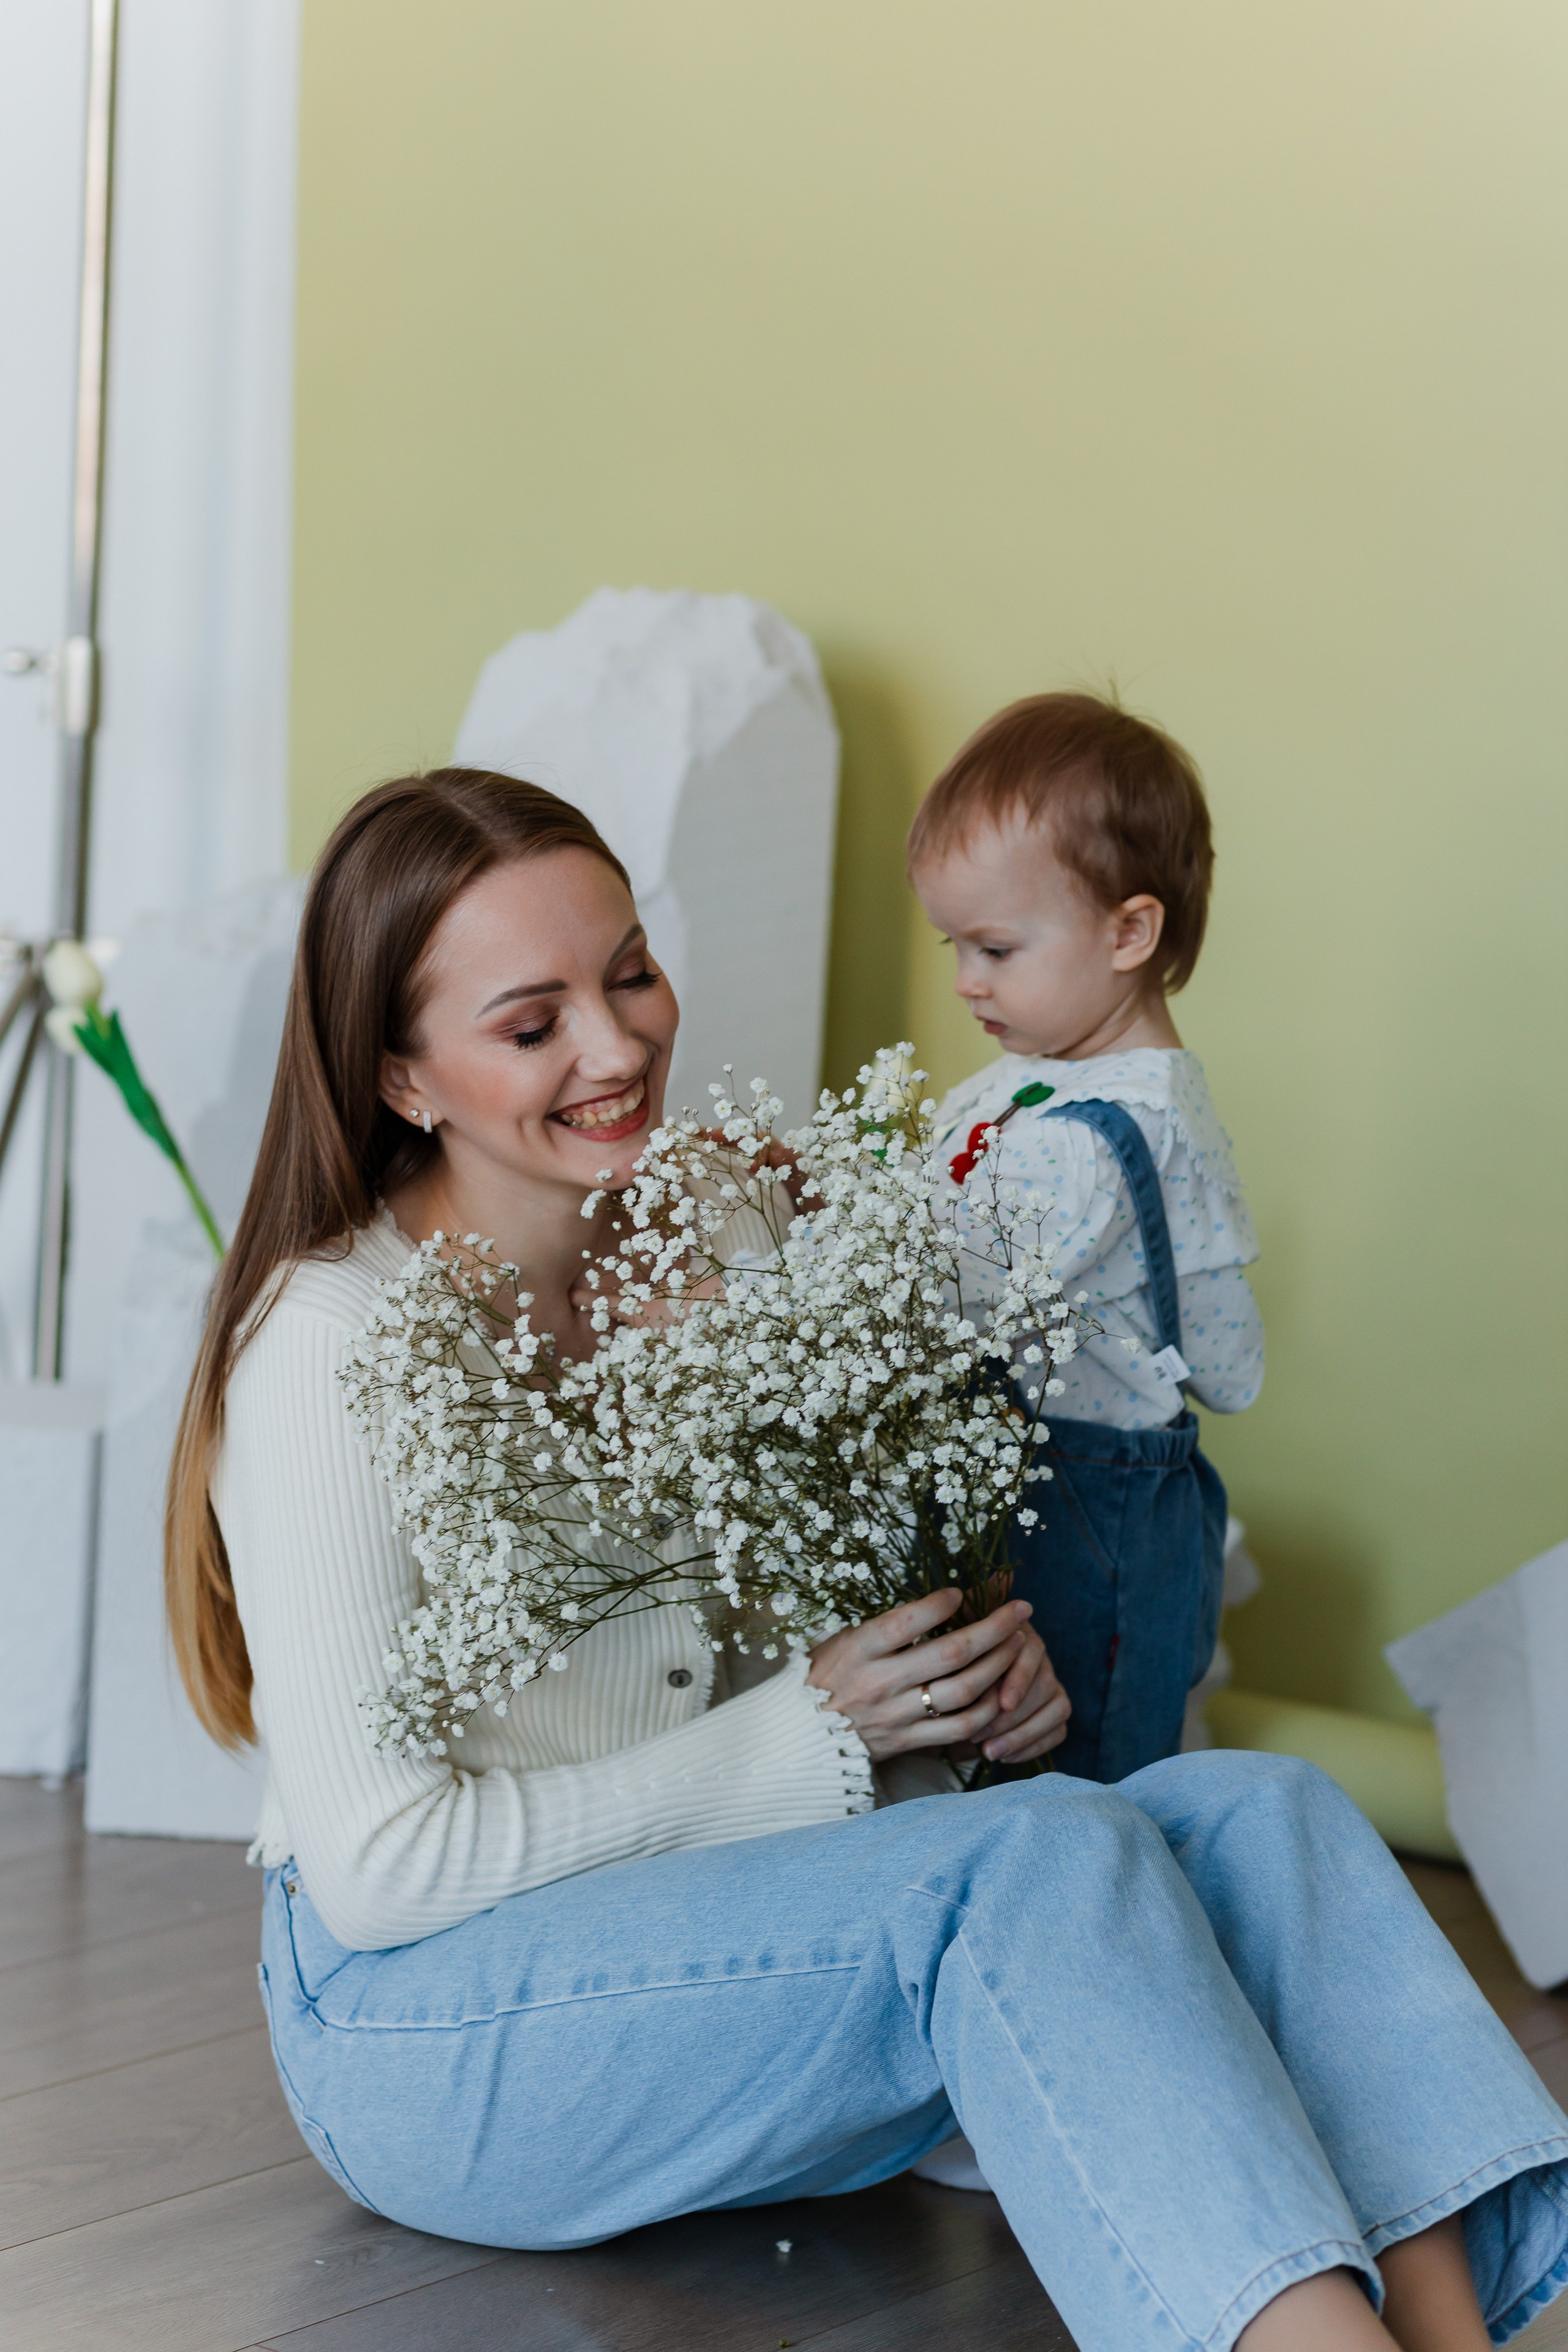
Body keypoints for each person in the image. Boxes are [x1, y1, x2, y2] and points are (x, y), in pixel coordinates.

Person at [165, 766, 1568, 2352]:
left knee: (1266, 1815)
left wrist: (965, 1686)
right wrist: (817, 1736)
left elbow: (774, 1658)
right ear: (402, 1076)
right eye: (531, 1020)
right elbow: (383, 1868)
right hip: (426, 2032)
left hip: (707, 1935)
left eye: (629, 972)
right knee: (1040, 1863)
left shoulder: (694, 1238)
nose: (621, 1047)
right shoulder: (333, 1351)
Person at [909, 692, 1259, 1783]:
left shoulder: (1094, 1139)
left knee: (1076, 1777)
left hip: (1083, 1518)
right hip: (1055, 1489)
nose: (967, 979)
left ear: (1129, 932)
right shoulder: (1072, 1083)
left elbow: (931, 1302)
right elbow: (1233, 1367)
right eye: (954, 944)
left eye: (997, 947)